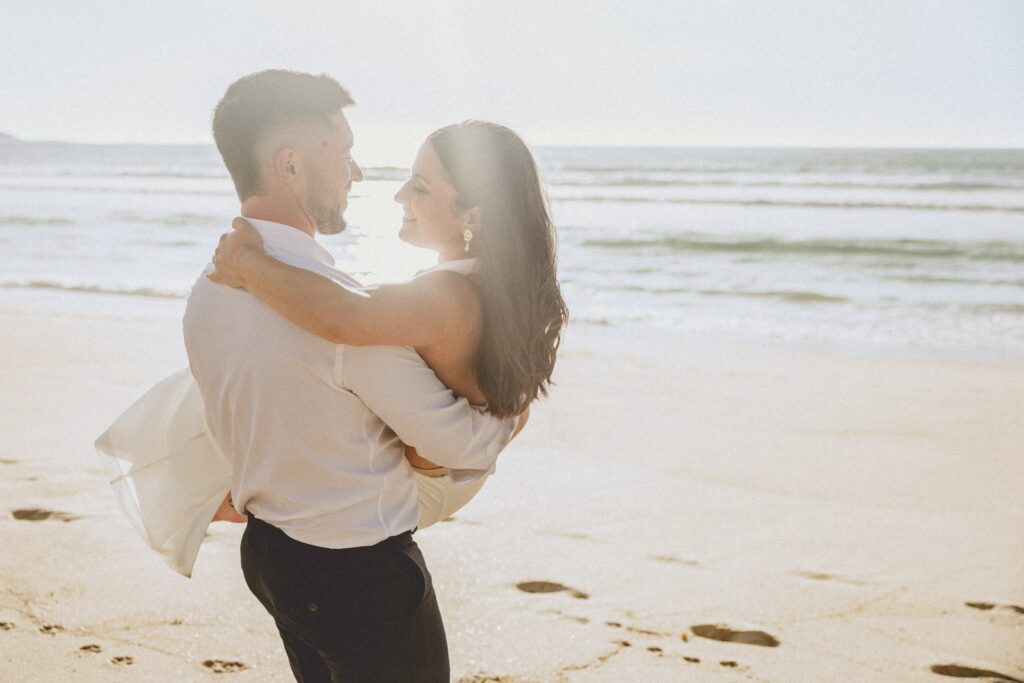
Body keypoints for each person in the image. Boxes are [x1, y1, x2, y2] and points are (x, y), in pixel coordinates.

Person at [183, 69, 523, 683]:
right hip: (357, 577)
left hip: (270, 558)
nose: (358, 174)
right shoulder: (339, 319)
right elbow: (461, 445)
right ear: (291, 166)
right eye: (343, 155)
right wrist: (514, 411)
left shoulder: (209, 288)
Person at [208, 118, 567, 529]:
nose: (399, 196)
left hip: (418, 486)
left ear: (474, 217)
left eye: (420, 187)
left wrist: (246, 264)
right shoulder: (492, 284)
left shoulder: (449, 296)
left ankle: (229, 493)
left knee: (321, 347)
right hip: (448, 472)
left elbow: (344, 317)